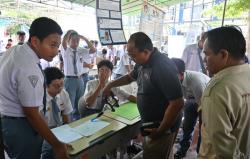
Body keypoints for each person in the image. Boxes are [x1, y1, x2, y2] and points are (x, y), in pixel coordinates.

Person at [103, 32, 184, 159]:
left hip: (162, 126)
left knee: (156, 154)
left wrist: (160, 131)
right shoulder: (142, 62)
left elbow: (177, 102)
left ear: (146, 51)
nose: (131, 59)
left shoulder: (162, 66)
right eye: (129, 55)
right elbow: (130, 77)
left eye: (133, 56)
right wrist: (110, 85)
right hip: (151, 124)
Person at [0, 17, 69, 159]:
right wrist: (58, 145)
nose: (56, 51)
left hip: (8, 122)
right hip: (22, 126)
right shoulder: (28, 67)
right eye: (53, 45)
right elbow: (32, 113)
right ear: (35, 42)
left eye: (58, 46)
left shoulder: (15, 51)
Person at [199, 26, 250, 158]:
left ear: (223, 55)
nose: (204, 59)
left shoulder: (218, 90)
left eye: (206, 54)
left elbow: (224, 150)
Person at [171, 58, 210, 158]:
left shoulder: (196, 82)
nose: (169, 77)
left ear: (181, 73)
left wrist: (202, 122)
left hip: (206, 101)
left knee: (203, 128)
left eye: (172, 74)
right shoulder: (176, 80)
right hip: (191, 99)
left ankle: (200, 154)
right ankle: (182, 151)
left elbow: (202, 106)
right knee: (186, 127)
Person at [61, 30, 96, 120]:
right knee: (70, 104)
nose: (76, 42)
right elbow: (63, 43)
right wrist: (69, 33)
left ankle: (78, 121)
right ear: (69, 40)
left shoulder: (81, 50)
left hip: (80, 79)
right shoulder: (66, 50)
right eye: (73, 40)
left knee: (79, 102)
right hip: (70, 79)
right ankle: (69, 123)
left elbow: (93, 50)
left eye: (77, 40)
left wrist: (84, 38)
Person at [41, 67, 73, 159]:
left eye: (62, 84)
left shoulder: (63, 93)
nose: (60, 88)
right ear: (46, 85)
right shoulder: (40, 98)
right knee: (48, 152)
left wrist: (69, 135)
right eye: (56, 86)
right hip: (43, 131)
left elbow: (67, 116)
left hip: (59, 128)